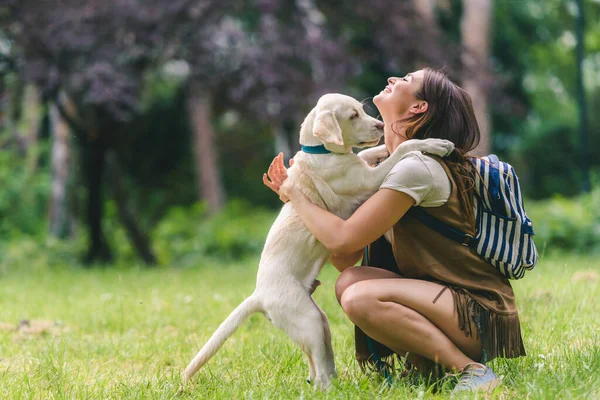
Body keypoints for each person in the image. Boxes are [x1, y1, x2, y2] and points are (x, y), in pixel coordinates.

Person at [262, 68, 526, 392]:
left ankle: (471, 370)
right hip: (450, 304)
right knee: (350, 282)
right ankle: (428, 365)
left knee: (360, 297)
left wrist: (295, 196)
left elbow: (342, 237)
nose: (392, 80)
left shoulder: (416, 168)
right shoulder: (385, 163)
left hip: (479, 314)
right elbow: (346, 258)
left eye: (406, 81)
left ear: (418, 108)